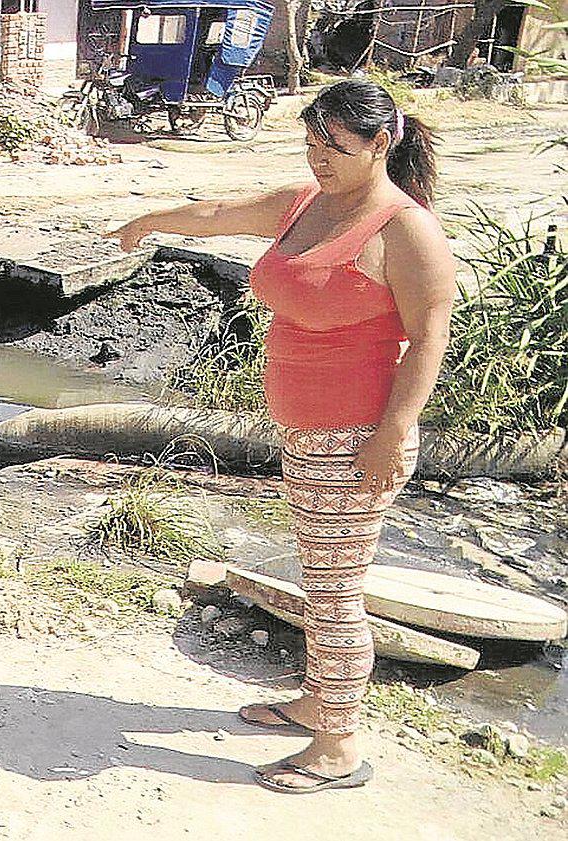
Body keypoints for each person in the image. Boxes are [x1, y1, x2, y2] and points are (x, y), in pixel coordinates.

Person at [106, 79, 456, 793]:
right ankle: (317, 703)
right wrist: (150, 220)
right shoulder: (305, 205)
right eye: (310, 141)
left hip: (358, 439)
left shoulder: (403, 227)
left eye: (333, 144)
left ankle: (337, 746)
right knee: (321, 579)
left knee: (335, 594)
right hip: (309, 434)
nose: (317, 156)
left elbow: (428, 340)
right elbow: (218, 213)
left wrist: (392, 435)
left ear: (379, 143)